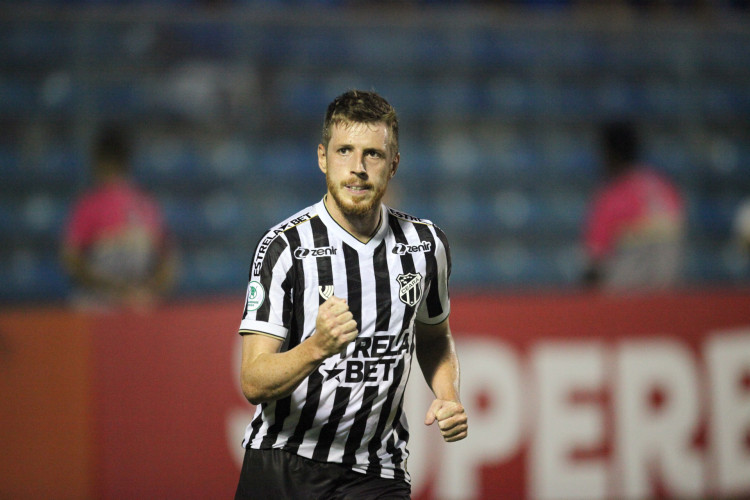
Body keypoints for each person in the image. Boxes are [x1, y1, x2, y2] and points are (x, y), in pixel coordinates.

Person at [234, 90, 467, 499]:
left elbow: (434, 336)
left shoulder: (426, 245)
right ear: (323, 157)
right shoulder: (285, 247)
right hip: (284, 461)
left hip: (376, 469)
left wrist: (448, 396)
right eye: (345, 151)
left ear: (393, 164)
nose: (357, 168)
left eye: (372, 155)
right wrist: (316, 347)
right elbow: (253, 380)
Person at [61, 124, 176, 311]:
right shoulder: (146, 204)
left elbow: (71, 260)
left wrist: (118, 292)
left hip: (104, 306)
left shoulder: (89, 205)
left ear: (101, 161)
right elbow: (169, 262)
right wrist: (147, 292)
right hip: (135, 304)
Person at [582, 121, 687, 290]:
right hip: (669, 294)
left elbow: (594, 264)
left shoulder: (613, 196)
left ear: (609, 153)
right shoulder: (665, 187)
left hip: (625, 300)